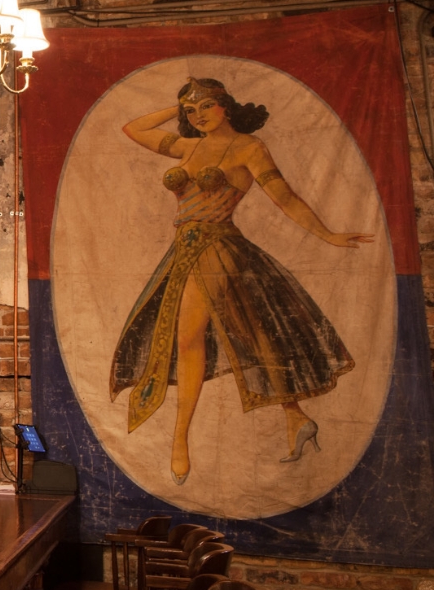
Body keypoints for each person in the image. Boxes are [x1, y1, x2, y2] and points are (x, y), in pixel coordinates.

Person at [115, 77, 371, 485]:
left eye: (204, 106)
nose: (197, 116)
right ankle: (296, 418)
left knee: (189, 338)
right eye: (190, 110)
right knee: (250, 332)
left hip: (218, 248)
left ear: (226, 106)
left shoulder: (250, 148)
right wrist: (175, 107)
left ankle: (180, 440)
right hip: (183, 250)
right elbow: (134, 130)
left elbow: (285, 198)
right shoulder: (189, 146)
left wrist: (328, 235)